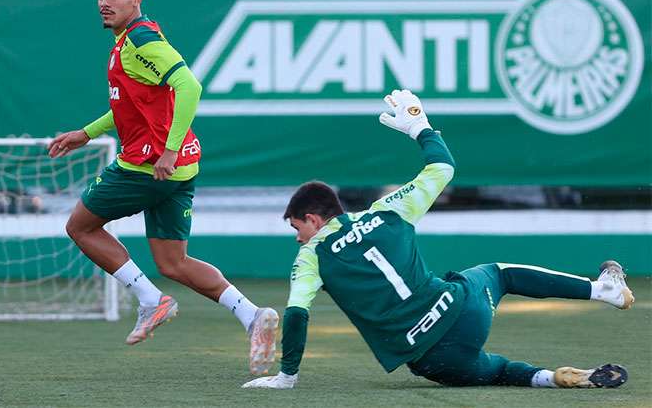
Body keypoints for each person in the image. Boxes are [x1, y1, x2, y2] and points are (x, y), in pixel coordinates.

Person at [242, 89, 634, 389]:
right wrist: (419, 127)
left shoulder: (312, 256)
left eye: (297, 228)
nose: (297, 238)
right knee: (500, 273)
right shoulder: (386, 210)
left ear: (313, 218)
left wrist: (286, 377)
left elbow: (296, 314)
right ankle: (601, 290)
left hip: (432, 363)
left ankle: (547, 377)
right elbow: (443, 168)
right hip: (460, 312)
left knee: (495, 370)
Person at [48, 0, 277, 375]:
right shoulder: (133, 39)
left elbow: (190, 86)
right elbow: (132, 107)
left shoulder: (140, 39)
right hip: (181, 167)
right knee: (174, 262)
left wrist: (167, 150)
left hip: (147, 166)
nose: (104, 2)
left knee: (80, 227)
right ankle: (253, 316)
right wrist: (86, 133)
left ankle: (150, 300)